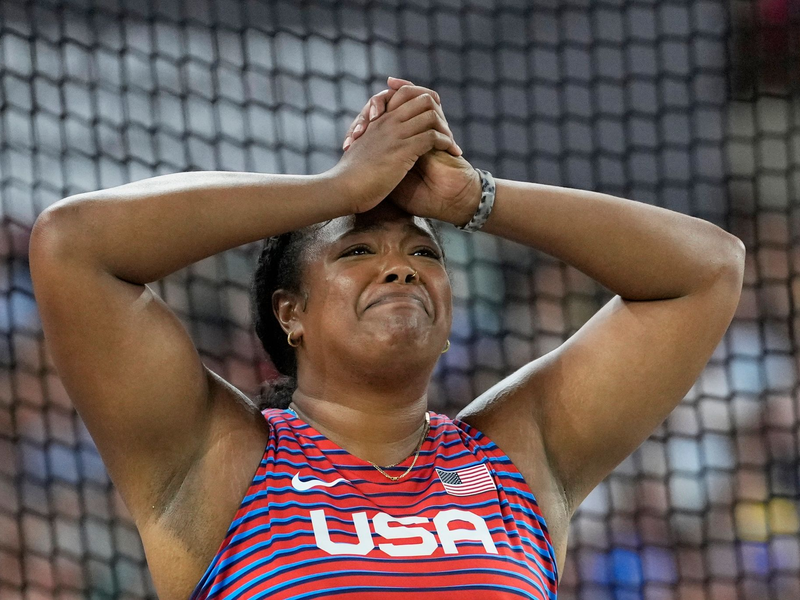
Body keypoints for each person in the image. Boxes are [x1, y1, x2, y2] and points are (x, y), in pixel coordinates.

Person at [28, 76, 745, 599]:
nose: (401, 268)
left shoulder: (513, 458)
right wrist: (339, 190)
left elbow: (708, 268)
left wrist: (474, 198)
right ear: (290, 313)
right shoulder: (221, 459)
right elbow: (74, 245)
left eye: (425, 252)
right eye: (358, 250)